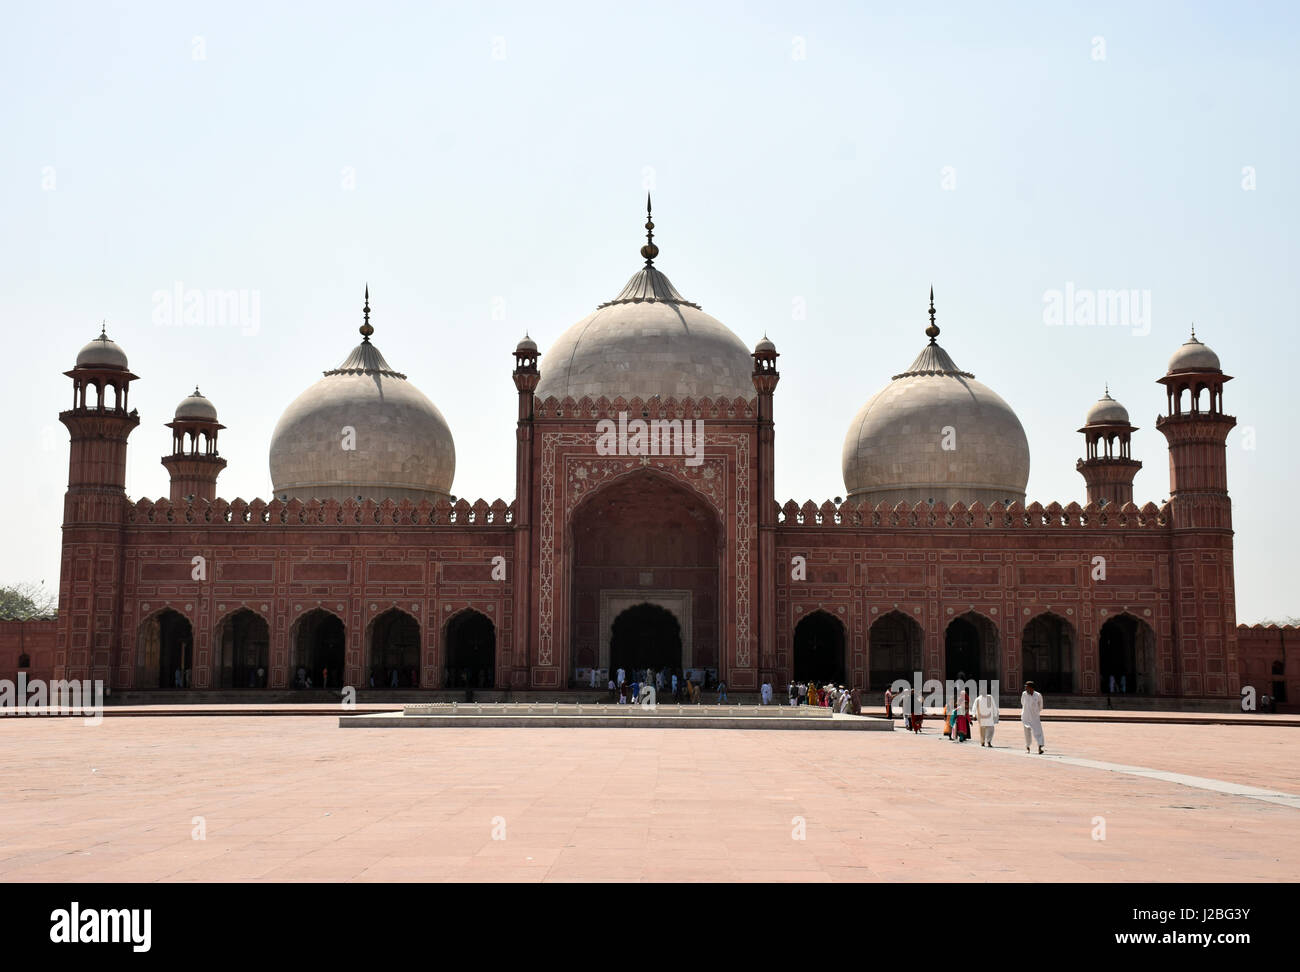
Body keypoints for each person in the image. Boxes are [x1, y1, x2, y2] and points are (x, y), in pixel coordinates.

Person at [1020, 680, 1045, 754]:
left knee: (1038, 731)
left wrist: (1036, 712)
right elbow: (1022, 702)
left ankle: (1040, 747)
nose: (1025, 689)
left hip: (1035, 717)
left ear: (1031, 688)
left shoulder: (1038, 695)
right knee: (1027, 732)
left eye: (1027, 687)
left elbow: (1041, 706)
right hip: (1026, 717)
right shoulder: (1024, 694)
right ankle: (1028, 746)